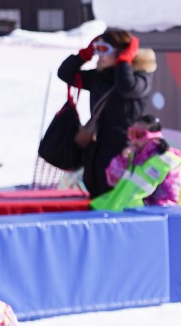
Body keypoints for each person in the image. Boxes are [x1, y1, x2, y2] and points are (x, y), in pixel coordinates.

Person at [55, 28, 152, 198]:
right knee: (96, 198)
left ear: (123, 53)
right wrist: (85, 54)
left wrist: (124, 61)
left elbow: (126, 86)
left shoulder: (141, 78)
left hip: (124, 154)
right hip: (98, 152)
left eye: (104, 50)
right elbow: (65, 73)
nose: (100, 55)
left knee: (115, 201)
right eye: (97, 49)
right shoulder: (100, 77)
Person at [91, 118, 181, 210]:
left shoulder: (166, 161)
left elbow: (169, 199)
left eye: (138, 134)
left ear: (152, 136)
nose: (133, 139)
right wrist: (122, 161)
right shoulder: (133, 157)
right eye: (131, 133)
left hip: (144, 218)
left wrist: (151, 217)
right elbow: (113, 181)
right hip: (123, 213)